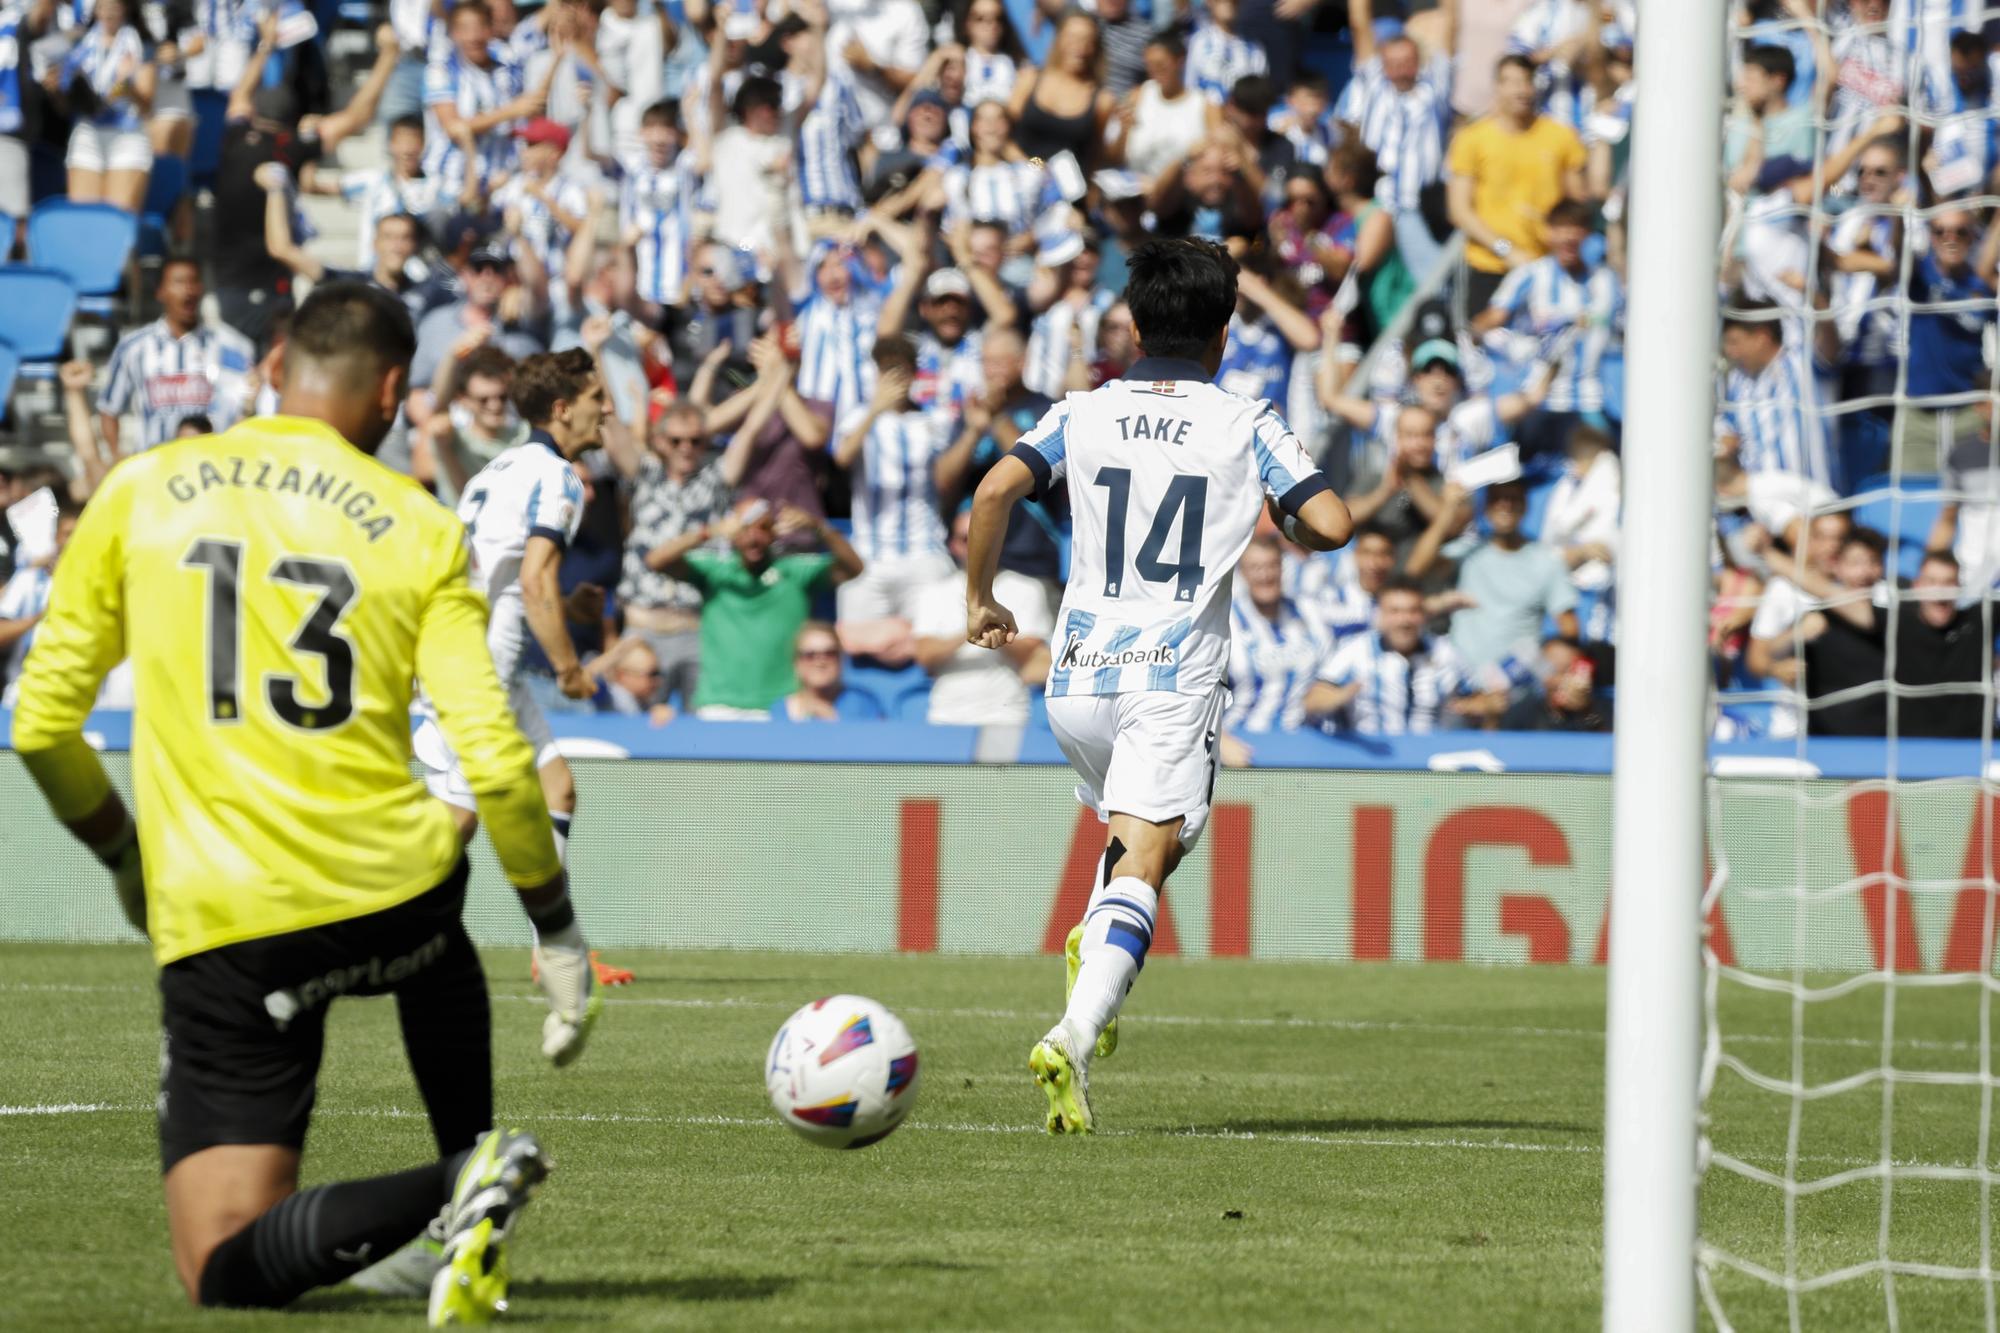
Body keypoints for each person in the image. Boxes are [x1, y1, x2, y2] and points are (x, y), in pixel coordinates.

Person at [9, 282, 596, 1323]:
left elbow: (43, 724)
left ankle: (461, 1182)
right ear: (390, 391)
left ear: (272, 363)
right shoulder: (417, 524)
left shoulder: (143, 490)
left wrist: (120, 857)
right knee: (439, 940)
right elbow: (498, 766)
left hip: (233, 922)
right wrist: (555, 930)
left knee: (221, 1267)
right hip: (396, 893)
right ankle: (464, 1178)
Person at [964, 238, 1352, 1132]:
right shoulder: (1243, 417)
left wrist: (981, 599)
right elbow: (1329, 521)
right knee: (1152, 854)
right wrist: (1281, 515)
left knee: (1141, 843)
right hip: (1170, 677)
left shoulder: (1082, 410)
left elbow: (991, 494)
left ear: (1132, 327)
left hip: (1077, 673)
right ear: (1225, 334)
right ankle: (1073, 1027)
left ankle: (1095, 943)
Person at [412, 350, 615, 985]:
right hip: (475, 666)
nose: (606, 408)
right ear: (562, 409)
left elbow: (511, 575)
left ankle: (554, 950)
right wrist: (569, 668)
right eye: (595, 397)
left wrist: (568, 607)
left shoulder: (501, 466)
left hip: (471, 652)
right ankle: (356, 930)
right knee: (458, 818)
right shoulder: (558, 476)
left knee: (558, 788)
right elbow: (532, 581)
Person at [645, 498, 867, 719]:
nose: (753, 538)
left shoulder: (795, 572)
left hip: (779, 707)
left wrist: (819, 528)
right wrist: (708, 532)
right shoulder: (714, 572)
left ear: (774, 533)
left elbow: (853, 568)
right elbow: (656, 561)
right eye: (744, 529)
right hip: (720, 706)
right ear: (731, 532)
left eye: (763, 528)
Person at [834, 335, 956, 657]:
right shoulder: (858, 418)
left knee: (934, 642)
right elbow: (843, 458)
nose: (894, 379)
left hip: (924, 551)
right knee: (853, 643)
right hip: (870, 555)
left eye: (900, 371)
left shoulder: (934, 420)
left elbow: (945, 480)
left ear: (914, 374)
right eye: (886, 370)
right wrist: (875, 409)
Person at [1446, 52, 1588, 313]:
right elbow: (1459, 210)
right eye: (1511, 82)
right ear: (1497, 86)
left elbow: (1576, 203)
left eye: (1526, 82)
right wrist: (1505, 250)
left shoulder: (1561, 137)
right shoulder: (1473, 139)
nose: (1520, 91)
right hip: (1489, 265)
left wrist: (1560, 238)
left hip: (1545, 267)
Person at [615, 401, 730, 711]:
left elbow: (753, 428)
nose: (686, 448)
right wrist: (597, 364)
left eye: (695, 440)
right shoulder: (645, 473)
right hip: (643, 626)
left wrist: (775, 375)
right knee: (636, 729)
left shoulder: (715, 478)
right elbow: (611, 428)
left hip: (695, 629)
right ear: (659, 440)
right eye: (676, 440)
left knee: (702, 730)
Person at [98, 258, 257, 457]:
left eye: (193, 282)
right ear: (160, 292)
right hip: (155, 467)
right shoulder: (134, 347)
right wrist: (117, 458)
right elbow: (109, 409)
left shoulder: (231, 346)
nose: (188, 291)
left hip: (211, 467)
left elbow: (246, 407)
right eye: (179, 282)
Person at [1316, 575, 1482, 734]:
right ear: (1380, 614)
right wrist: (1339, 697)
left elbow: (1479, 698)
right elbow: (1314, 698)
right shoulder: (1356, 650)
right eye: (1395, 611)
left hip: (1431, 756)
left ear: (1424, 614)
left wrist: (1478, 706)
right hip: (1370, 756)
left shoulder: (1444, 651)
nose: (1404, 621)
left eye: (1413, 611)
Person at [1222, 534, 1342, 735]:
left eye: (1272, 565)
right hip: (1243, 741)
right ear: (1242, 572)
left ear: (1282, 567)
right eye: (1255, 568)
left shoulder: (1309, 612)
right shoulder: (1227, 621)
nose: (1265, 575)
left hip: (1307, 743)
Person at [775, 620, 886, 721]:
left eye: (829, 654)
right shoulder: (781, 710)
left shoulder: (863, 704)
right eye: (810, 655)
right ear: (796, 663)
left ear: (841, 659)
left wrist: (834, 722)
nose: (820, 662)